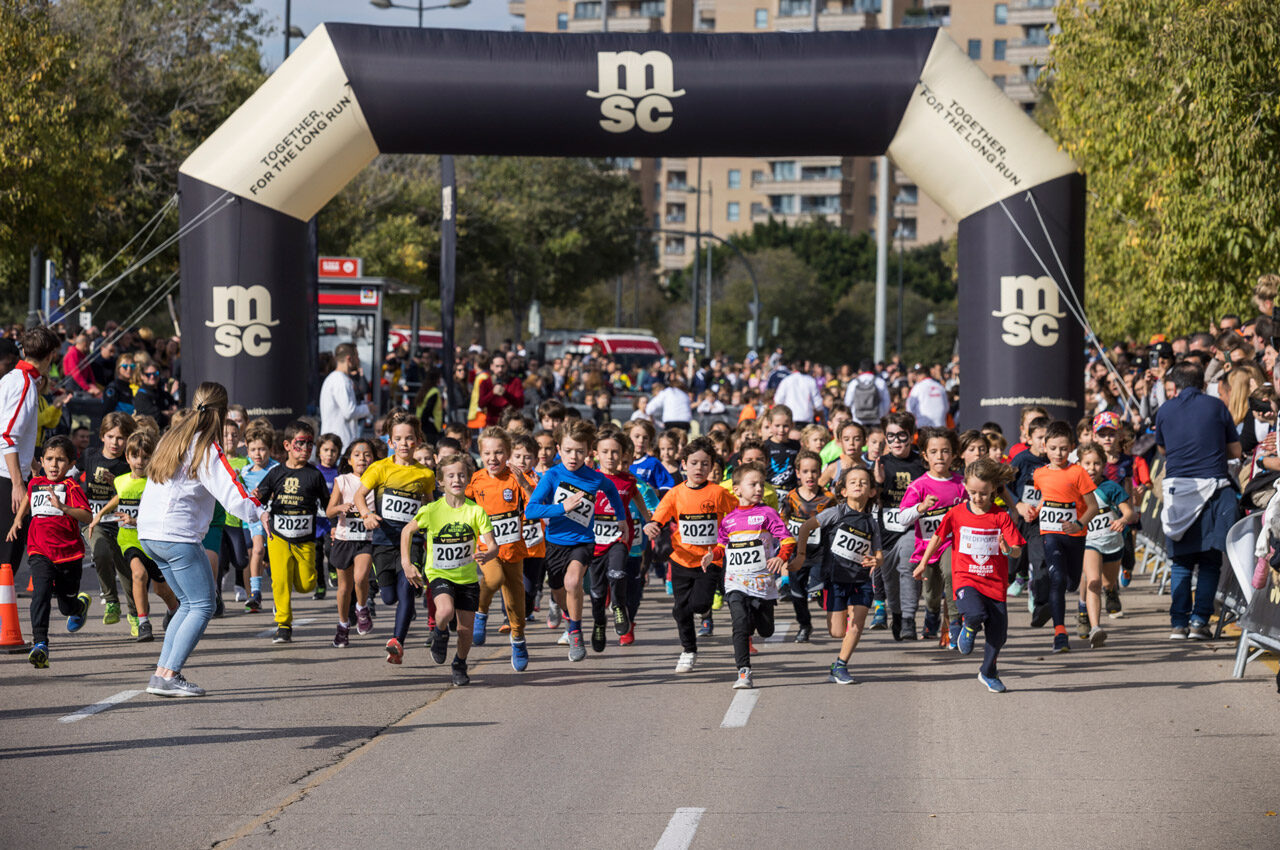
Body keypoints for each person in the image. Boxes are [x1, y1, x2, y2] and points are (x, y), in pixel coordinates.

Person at [137, 382, 266, 697]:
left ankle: (161, 674)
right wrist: (258, 510)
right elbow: (232, 494)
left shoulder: (172, 437)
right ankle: (170, 674)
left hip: (150, 533)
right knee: (204, 605)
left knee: (188, 603)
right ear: (222, 413)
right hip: (176, 536)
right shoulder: (207, 447)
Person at [917, 457, 1024, 693]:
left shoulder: (1001, 517)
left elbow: (1017, 549)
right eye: (973, 492)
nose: (977, 498)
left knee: (999, 636)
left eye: (984, 494)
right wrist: (923, 563)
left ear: (994, 490)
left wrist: (1007, 548)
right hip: (966, 579)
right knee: (975, 614)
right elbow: (937, 536)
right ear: (965, 486)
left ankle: (988, 672)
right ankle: (967, 627)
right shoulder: (956, 513)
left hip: (995, 584)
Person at [524, 420, 625, 662]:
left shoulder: (594, 478)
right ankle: (571, 619)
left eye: (580, 451)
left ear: (589, 451)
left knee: (573, 581)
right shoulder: (552, 475)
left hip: (583, 541)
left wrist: (621, 518)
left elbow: (612, 490)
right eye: (568, 450)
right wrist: (561, 508)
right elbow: (531, 511)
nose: (573, 456)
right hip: (555, 543)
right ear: (558, 449)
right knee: (559, 593)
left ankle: (576, 632)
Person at [1154, 360, 1242, 640]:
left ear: (1175, 386)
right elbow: (1236, 449)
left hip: (1178, 493)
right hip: (1214, 493)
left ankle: (1178, 625)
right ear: (1203, 384)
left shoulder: (1165, 409)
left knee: (1180, 563)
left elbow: (1162, 448)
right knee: (1209, 561)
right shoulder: (1216, 406)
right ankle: (1198, 623)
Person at [644, 436, 738, 673]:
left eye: (705, 464)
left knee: (698, 604)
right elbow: (659, 517)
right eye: (694, 463)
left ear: (712, 467)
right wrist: (652, 526)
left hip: (710, 560)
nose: (699, 468)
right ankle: (688, 650)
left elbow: (737, 512)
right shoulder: (676, 494)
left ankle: (704, 610)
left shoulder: (718, 493)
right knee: (680, 610)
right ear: (684, 464)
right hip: (681, 560)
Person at [402, 453, 497, 686]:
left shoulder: (476, 511)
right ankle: (441, 633)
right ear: (441, 482)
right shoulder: (432, 510)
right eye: (451, 475)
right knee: (444, 611)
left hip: (467, 578)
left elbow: (493, 544)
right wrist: (407, 563)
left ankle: (460, 663)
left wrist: (488, 553)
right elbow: (407, 531)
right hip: (439, 573)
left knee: (466, 630)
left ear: (468, 479)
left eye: (462, 475)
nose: (457, 479)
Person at [353, 410, 437, 664]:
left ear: (417, 440)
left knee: (407, 591)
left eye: (409, 438)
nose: (404, 444)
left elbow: (430, 505)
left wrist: (433, 532)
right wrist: (366, 514)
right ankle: (404, 609)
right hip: (383, 540)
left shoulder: (425, 474)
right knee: (390, 596)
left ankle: (397, 642)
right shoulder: (380, 468)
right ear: (390, 442)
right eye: (398, 439)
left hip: (411, 543)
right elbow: (359, 496)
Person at [8, 435, 93, 669]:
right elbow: (27, 498)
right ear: (41, 461)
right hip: (39, 550)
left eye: (61, 460)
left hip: (68, 554)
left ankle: (79, 606)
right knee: (41, 594)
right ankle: (40, 643)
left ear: (71, 464)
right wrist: (17, 520)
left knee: (66, 604)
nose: (54, 465)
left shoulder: (71, 486)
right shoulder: (36, 483)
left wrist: (63, 508)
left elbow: (88, 516)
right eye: (50, 459)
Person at [793, 465, 882, 685]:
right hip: (834, 579)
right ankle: (838, 626)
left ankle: (840, 665)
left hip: (860, 580)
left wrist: (877, 560)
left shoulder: (872, 521)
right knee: (836, 631)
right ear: (843, 491)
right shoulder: (836, 513)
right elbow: (805, 527)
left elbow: (879, 553)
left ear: (872, 491)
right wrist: (801, 555)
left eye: (864, 482)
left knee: (856, 625)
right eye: (853, 482)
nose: (859, 485)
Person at [88, 431, 178, 643]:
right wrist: (99, 514)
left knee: (161, 589)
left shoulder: (158, 484)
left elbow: (160, 515)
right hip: (129, 541)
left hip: (153, 540)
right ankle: (143, 622)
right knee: (138, 574)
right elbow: (121, 497)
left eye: (146, 457)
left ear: (153, 458)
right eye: (135, 456)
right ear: (127, 458)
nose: (140, 461)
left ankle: (174, 610)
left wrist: (136, 521)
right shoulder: (120, 481)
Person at [711, 461, 794, 689]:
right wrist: (713, 556)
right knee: (739, 623)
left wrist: (781, 557)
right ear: (737, 489)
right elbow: (721, 546)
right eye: (753, 484)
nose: (759, 489)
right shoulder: (728, 520)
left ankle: (758, 619)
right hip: (735, 582)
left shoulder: (768, 514)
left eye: (761, 484)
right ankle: (743, 672)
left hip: (763, 584)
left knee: (767, 630)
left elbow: (787, 539)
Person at [255, 421, 330, 644]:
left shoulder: (314, 475)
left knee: (306, 584)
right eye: (301, 443)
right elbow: (259, 500)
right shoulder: (275, 473)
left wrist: (337, 524)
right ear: (287, 445)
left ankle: (286, 602)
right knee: (280, 581)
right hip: (278, 536)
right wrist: (255, 498)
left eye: (310, 444)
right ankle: (283, 624)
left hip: (305, 539)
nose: (306, 449)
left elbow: (328, 504)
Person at [466, 427, 530, 670]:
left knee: (516, 600)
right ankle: (481, 613)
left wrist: (524, 482)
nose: (492, 458)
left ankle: (518, 639)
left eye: (499, 452)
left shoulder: (516, 477)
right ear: (480, 453)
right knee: (493, 579)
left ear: (508, 453)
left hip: (513, 548)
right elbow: (463, 504)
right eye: (487, 453)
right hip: (487, 547)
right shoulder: (477, 479)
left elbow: (536, 501)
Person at [1032, 420, 1100, 653]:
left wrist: (1078, 524)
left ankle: (1062, 600)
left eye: (1063, 448)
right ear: (1044, 446)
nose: (1058, 453)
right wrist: (1037, 510)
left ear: (1071, 447)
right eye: (1053, 448)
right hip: (1051, 534)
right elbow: (1046, 498)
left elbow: (1093, 507)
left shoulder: (1078, 472)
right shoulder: (1039, 474)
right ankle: (1060, 633)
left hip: (1076, 534)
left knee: (1071, 582)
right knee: (1057, 579)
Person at [0, 326, 60, 572]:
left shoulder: (11, 378)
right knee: (7, 558)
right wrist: (17, 482)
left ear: (24, 350)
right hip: (6, 478)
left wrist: (33, 464)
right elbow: (7, 436)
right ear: (50, 356)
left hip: (11, 472)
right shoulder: (24, 384)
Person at [903, 429, 967, 646]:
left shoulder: (961, 484)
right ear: (924, 455)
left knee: (952, 574)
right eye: (934, 451)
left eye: (945, 451)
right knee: (931, 595)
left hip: (953, 543)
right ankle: (931, 614)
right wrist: (920, 508)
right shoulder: (919, 485)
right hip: (927, 548)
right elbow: (903, 517)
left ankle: (955, 623)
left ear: (954, 455)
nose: (940, 456)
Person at [588, 428, 649, 651]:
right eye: (605, 452)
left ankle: (619, 606)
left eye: (615, 452)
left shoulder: (627, 480)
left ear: (623, 454)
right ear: (596, 453)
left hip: (619, 538)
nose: (611, 457)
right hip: (594, 542)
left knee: (617, 572)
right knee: (596, 592)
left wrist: (648, 518)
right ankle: (598, 624)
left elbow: (637, 497)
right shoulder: (589, 478)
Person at [81, 411, 139, 633]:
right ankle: (111, 600)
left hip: (122, 524)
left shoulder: (129, 464)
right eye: (111, 436)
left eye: (121, 438)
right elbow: (70, 473)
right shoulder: (89, 455)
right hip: (94, 522)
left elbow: (135, 490)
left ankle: (136, 616)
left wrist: (117, 483)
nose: (115, 443)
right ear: (103, 436)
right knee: (101, 552)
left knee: (129, 575)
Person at [1077, 444, 1135, 648]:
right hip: (1089, 543)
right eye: (1087, 463)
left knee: (1108, 582)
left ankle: (1111, 592)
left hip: (1112, 542)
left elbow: (1129, 512)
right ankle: (1095, 627)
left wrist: (1123, 520)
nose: (1091, 468)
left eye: (1096, 463)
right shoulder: (1074, 489)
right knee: (1093, 580)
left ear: (1103, 465)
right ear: (1079, 464)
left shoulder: (1111, 488)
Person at [326, 438, 379, 647]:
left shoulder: (377, 480)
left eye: (367, 455)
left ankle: (362, 607)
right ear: (349, 460)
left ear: (373, 459)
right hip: (343, 538)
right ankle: (342, 624)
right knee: (344, 587)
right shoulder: (342, 481)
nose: (362, 458)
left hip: (365, 539)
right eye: (357, 455)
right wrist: (341, 508)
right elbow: (330, 510)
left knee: (361, 577)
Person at [779, 449, 835, 643]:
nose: (810, 476)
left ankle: (822, 592)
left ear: (820, 473)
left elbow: (836, 523)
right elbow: (783, 522)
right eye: (805, 471)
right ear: (797, 473)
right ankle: (804, 625)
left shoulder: (828, 498)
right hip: (798, 554)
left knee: (816, 586)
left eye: (814, 471)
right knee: (797, 593)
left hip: (820, 552)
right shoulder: (791, 497)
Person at [238, 426, 278, 613]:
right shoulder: (245, 472)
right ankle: (255, 593)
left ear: (270, 449)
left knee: (274, 562)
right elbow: (241, 496)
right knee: (258, 549)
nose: (258, 454)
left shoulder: (277, 469)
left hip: (276, 520)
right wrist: (250, 495)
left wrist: (268, 495)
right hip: (255, 520)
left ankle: (279, 598)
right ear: (247, 451)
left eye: (262, 449)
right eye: (253, 450)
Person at [320, 343, 371, 451]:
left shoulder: (335, 378)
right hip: (340, 443)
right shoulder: (340, 380)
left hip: (335, 442)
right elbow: (349, 412)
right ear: (349, 359)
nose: (358, 359)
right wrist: (368, 408)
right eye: (357, 356)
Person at [476, 354, 525, 427]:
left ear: (507, 366)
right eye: (497, 366)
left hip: (510, 423)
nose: (500, 369)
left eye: (502, 366)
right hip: (492, 423)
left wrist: (505, 394)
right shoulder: (485, 382)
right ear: (491, 366)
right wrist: (492, 393)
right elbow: (481, 404)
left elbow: (519, 404)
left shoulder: (515, 381)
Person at [774, 362, 823, 426]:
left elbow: (778, 400)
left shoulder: (787, 380)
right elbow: (818, 404)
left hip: (791, 418)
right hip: (806, 418)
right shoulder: (810, 381)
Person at [845, 359, 890, 427]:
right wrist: (882, 416)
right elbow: (886, 402)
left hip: (858, 420)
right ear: (873, 368)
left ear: (860, 369)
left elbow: (847, 402)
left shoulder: (854, 383)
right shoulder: (880, 382)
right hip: (876, 419)